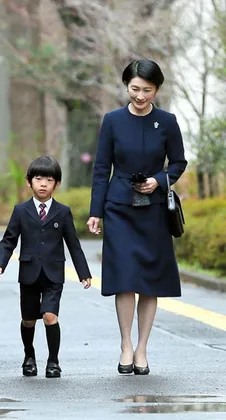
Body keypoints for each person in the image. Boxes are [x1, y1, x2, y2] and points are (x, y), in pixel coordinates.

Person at [87, 59, 187, 375]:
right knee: (125, 278)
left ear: (156, 90)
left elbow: (179, 162)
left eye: (147, 90)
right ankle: (126, 345)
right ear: (126, 86)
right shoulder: (113, 121)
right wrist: (96, 211)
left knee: (150, 280)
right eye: (134, 89)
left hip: (154, 209)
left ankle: (142, 348)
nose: (140, 96)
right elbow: (102, 168)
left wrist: (159, 179)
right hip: (119, 207)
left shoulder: (167, 121)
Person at [0, 156, 92, 378]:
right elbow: (9, 240)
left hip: (54, 274)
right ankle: (29, 356)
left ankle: (53, 361)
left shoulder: (63, 212)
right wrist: (0, 263)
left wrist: (83, 273)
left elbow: (74, 245)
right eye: (38, 178)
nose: (43, 184)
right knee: (28, 319)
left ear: (57, 184)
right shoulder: (20, 211)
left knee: (49, 316)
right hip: (28, 273)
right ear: (29, 182)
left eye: (49, 179)